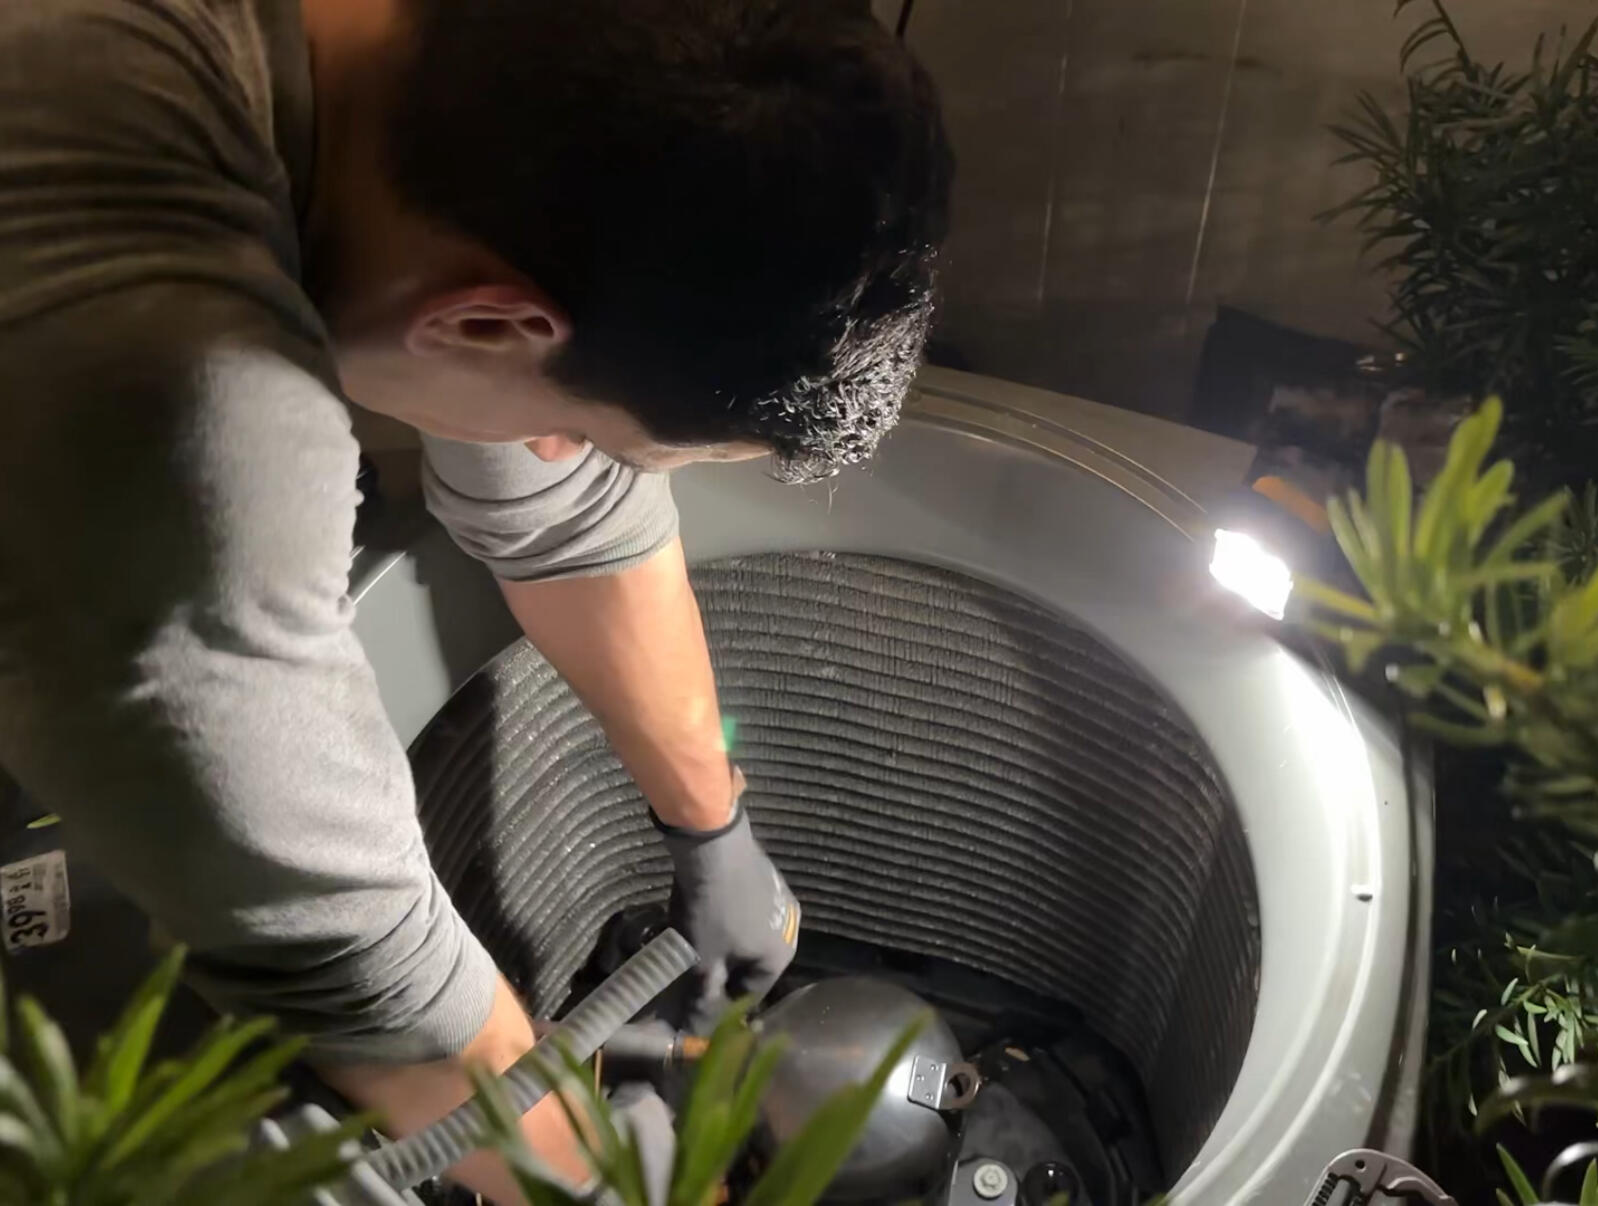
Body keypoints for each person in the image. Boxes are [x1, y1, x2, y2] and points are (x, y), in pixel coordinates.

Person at [0, 0, 951, 1198]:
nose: (553, 453)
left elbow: (561, 511)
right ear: (483, 319)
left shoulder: (454, 84)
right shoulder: (166, 395)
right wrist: (604, 1179)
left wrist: (711, 826)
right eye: (577, 431)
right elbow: (333, 941)